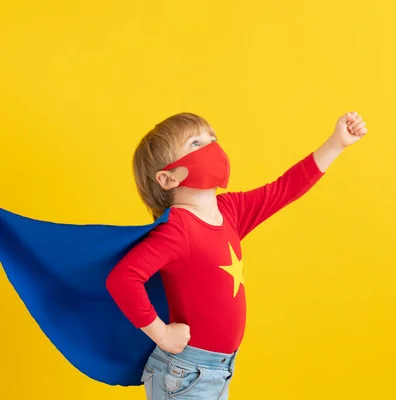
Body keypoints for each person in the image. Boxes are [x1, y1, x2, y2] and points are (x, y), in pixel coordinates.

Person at [105, 111, 368, 399]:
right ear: (167, 178)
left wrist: (336, 143)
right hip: (186, 374)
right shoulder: (178, 230)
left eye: (212, 138)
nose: (212, 147)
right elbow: (123, 278)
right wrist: (161, 334)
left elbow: (284, 189)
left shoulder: (230, 210)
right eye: (196, 143)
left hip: (220, 369)